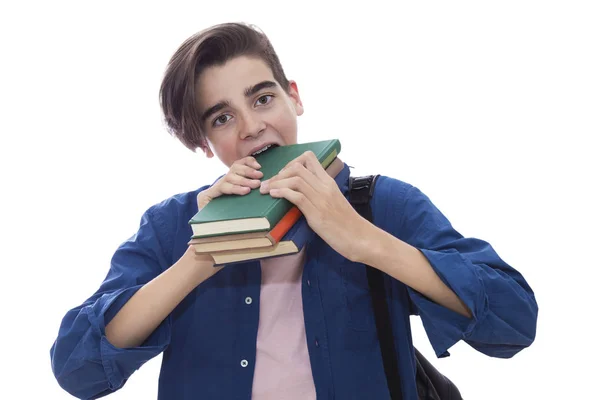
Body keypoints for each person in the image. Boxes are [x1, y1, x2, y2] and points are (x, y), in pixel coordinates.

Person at [50, 22, 538, 399]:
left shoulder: (381, 204)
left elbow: (515, 322)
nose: (251, 127)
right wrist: (199, 259)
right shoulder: (172, 225)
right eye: (222, 117)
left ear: (295, 97)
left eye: (263, 98)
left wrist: (364, 240)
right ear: (204, 142)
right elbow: (76, 367)